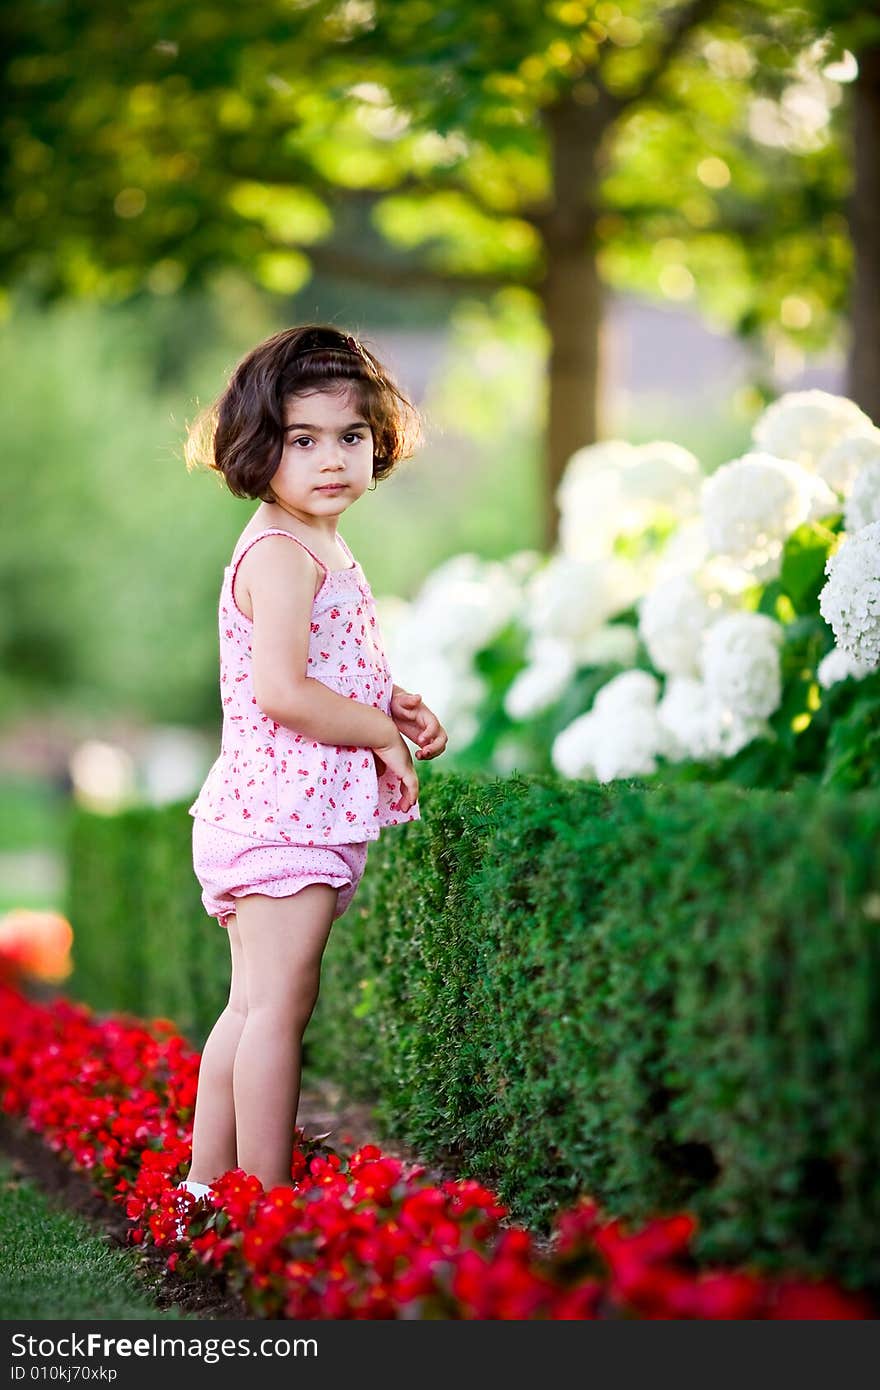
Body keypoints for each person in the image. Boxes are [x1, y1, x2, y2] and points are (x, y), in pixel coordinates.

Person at [176, 324, 448, 1208]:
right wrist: (376, 733)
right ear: (260, 447)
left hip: (278, 810)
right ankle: (266, 1200)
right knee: (276, 1016)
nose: (332, 459)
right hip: (281, 817)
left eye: (351, 437)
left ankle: (206, 1189)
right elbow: (285, 691)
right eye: (303, 440)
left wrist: (388, 699)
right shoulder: (284, 552)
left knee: (249, 1009)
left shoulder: (314, 538)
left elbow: (325, 666)